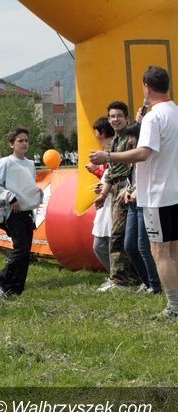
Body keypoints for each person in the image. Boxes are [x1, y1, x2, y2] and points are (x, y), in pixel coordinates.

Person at [90, 65, 178, 318]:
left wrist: (107, 156)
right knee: (173, 251)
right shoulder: (174, 112)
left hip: (157, 195)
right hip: (174, 191)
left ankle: (174, 307)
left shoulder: (154, 117)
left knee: (160, 252)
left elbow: (143, 153)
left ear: (146, 87)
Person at [92, 101, 140, 290]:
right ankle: (130, 278)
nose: (115, 119)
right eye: (112, 116)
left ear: (127, 118)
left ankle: (120, 280)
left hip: (129, 189)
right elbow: (111, 173)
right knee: (121, 236)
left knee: (120, 237)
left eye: (119, 116)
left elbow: (138, 164)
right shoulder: (114, 142)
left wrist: (130, 187)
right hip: (117, 190)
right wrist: (103, 195)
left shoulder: (132, 139)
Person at [0, 127, 43, 297]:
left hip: (27, 212)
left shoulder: (30, 164)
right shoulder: (6, 162)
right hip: (12, 213)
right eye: (20, 141)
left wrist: (37, 193)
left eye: (26, 140)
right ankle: (1, 281)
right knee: (20, 250)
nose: (24, 143)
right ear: (11, 144)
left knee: (26, 252)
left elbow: (27, 186)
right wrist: (10, 197)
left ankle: (16, 289)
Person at [120, 124, 162, 294]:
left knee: (143, 246)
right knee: (130, 246)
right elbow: (132, 179)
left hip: (146, 203)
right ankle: (146, 282)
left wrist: (138, 190)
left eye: (133, 138)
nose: (130, 142)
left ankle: (155, 285)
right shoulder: (133, 158)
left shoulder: (148, 155)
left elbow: (153, 178)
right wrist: (127, 190)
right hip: (133, 204)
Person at [85, 117, 115, 277]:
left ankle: (120, 277)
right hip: (106, 200)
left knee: (108, 244)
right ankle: (116, 276)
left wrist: (96, 170)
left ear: (101, 132)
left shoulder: (112, 149)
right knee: (102, 245)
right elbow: (108, 176)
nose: (95, 135)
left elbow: (116, 175)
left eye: (95, 132)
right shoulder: (106, 149)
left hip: (114, 202)